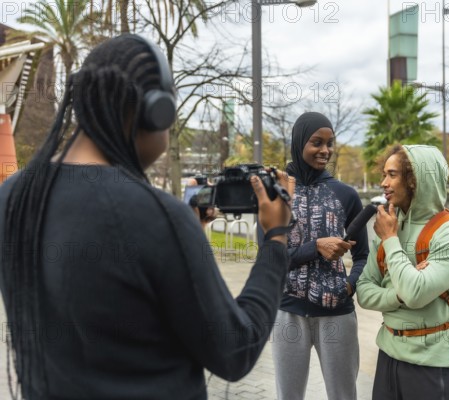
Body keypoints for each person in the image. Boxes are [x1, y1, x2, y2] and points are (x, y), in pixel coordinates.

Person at [0, 34, 294, 400]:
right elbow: (236, 350)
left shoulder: (12, 197)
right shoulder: (156, 216)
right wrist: (277, 238)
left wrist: (183, 239)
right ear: (156, 112)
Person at [356, 144, 449, 400]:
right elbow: (364, 292)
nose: (383, 183)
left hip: (433, 363)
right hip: (388, 355)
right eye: (384, 174)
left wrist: (390, 240)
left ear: (415, 179)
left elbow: (416, 293)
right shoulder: (390, 223)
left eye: (393, 174)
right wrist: (398, 295)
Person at [270, 111, 369, 400]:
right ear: (299, 142)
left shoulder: (346, 195)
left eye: (330, 143)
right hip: (288, 312)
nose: (325, 150)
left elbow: (363, 255)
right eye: (316, 142)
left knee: (344, 395)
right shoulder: (276, 193)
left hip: (336, 314)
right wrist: (315, 248)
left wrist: (350, 285)